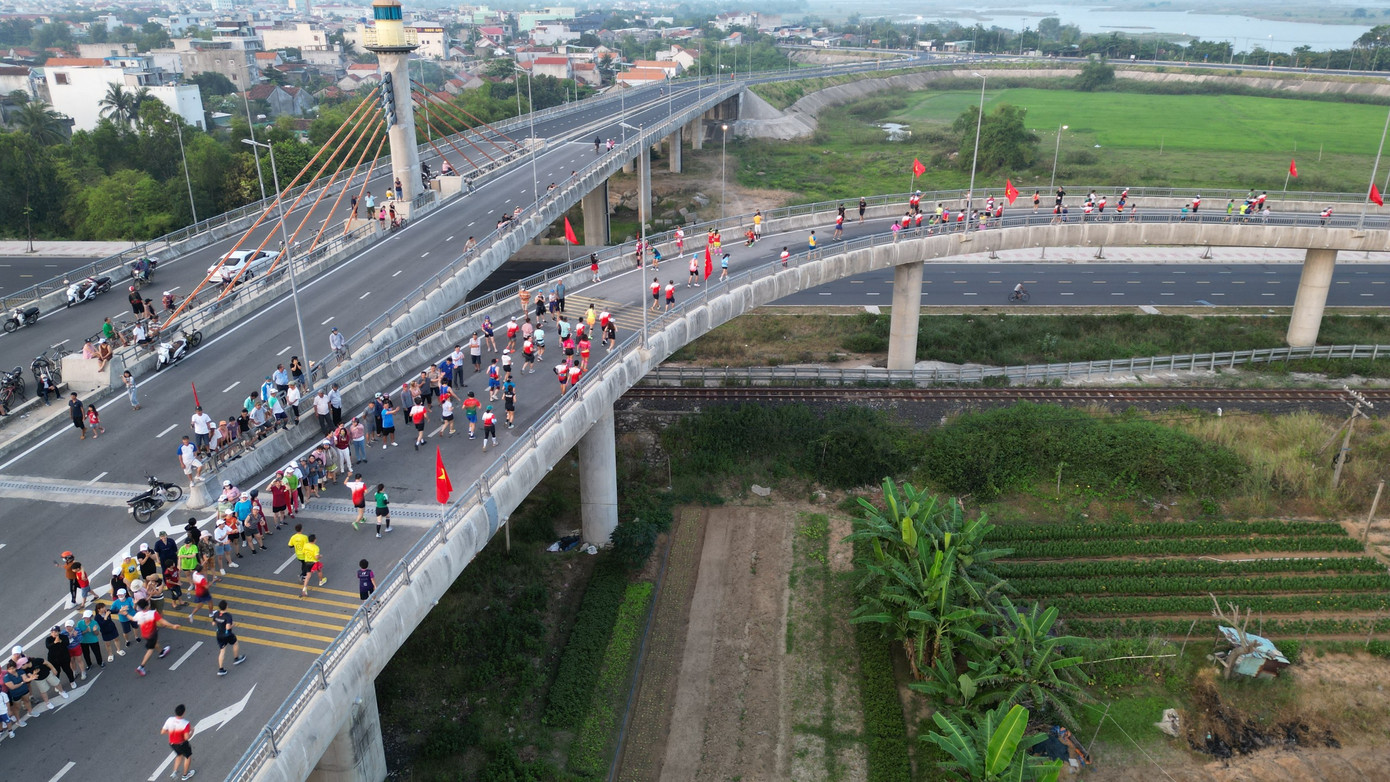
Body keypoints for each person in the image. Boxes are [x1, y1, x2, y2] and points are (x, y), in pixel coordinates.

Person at [133, 598, 180, 677]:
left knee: (155, 642)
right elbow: (162, 621)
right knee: (150, 649)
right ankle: (141, 666)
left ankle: (161, 652)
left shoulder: (138, 614)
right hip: (152, 634)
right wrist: (173, 625)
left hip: (145, 634)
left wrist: (125, 613)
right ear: (147, 606)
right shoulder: (153, 613)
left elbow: (132, 618)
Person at [162, 703, 197, 780]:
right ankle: (185, 775)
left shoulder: (169, 719)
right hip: (182, 744)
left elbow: (163, 731)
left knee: (179, 755)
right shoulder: (185, 723)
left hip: (172, 743)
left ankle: (174, 772)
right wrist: (192, 731)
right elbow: (186, 737)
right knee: (188, 757)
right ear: (184, 712)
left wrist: (172, 733)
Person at [210, 601, 245, 676]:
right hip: (227, 635)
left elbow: (213, 623)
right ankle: (236, 658)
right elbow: (228, 627)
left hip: (219, 635)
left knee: (222, 651)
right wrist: (233, 624)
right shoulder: (228, 616)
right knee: (235, 643)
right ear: (226, 607)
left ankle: (221, 669)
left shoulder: (216, 614)